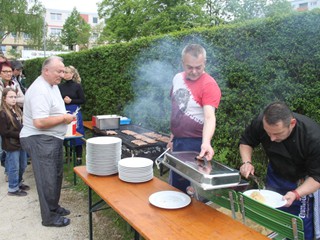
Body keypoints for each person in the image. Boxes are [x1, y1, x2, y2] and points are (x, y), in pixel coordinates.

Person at [239, 101, 320, 240]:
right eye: (268, 132)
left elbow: (317, 177)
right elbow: (246, 141)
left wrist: (296, 193)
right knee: (274, 218)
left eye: (277, 133)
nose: (271, 138)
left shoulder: (313, 137)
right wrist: (246, 162)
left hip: (302, 183)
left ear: (292, 123)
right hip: (275, 174)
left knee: (299, 225)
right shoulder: (261, 122)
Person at [20, 56, 75, 227]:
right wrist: (64, 118)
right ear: (46, 71)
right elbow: (40, 122)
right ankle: (49, 218)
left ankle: (54, 207)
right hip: (39, 138)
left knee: (56, 175)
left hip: (50, 138)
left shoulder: (51, 85)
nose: (62, 74)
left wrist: (62, 115)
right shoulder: (40, 90)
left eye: (63, 70)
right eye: (59, 71)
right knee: (47, 178)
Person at [167, 44, 221, 193]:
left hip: (196, 144)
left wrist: (206, 143)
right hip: (178, 141)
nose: (194, 71)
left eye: (199, 67)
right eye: (189, 67)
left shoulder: (209, 85)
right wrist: (173, 137)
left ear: (205, 63)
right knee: (175, 186)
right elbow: (177, 108)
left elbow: (210, 117)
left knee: (193, 190)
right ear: (182, 63)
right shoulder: (177, 78)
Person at [0, 88, 29, 196]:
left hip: (20, 143)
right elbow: (4, 132)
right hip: (11, 144)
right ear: (4, 98)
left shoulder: (16, 110)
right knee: (14, 167)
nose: (13, 99)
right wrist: (19, 134)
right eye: (10, 97)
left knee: (23, 165)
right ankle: (13, 188)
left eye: (15, 97)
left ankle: (19, 182)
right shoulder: (2, 113)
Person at [59, 65, 85, 165]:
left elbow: (82, 100)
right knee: (66, 133)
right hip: (64, 111)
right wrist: (63, 100)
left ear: (72, 74)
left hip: (75, 112)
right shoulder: (60, 86)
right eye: (64, 72)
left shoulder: (77, 86)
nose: (65, 74)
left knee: (76, 133)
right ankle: (68, 155)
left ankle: (78, 157)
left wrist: (71, 100)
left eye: (67, 72)